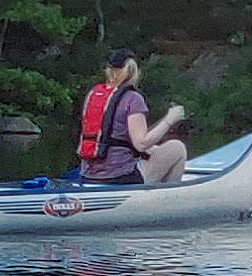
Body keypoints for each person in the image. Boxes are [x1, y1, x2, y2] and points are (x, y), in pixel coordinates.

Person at [76, 51, 187, 187]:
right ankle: (169, 198)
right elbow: (141, 144)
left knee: (154, 150)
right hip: (120, 177)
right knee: (177, 148)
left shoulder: (94, 94)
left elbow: (114, 138)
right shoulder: (133, 99)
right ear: (133, 71)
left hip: (88, 175)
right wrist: (170, 119)